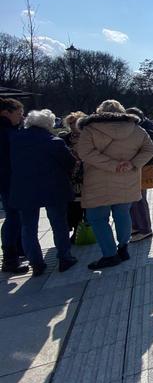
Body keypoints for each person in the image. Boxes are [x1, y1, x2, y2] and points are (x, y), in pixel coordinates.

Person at [77, 100, 153, 270]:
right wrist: (132, 163)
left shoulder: (90, 129)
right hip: (127, 179)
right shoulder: (135, 128)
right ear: (121, 111)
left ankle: (109, 254)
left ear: (99, 112)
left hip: (98, 182)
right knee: (123, 214)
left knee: (98, 218)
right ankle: (123, 248)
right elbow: (150, 150)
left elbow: (84, 153)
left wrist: (112, 165)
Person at [9, 109, 78, 275]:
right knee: (59, 223)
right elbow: (70, 163)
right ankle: (64, 258)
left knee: (28, 227)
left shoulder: (14, 139)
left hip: (24, 188)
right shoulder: (54, 141)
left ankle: (36, 263)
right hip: (53, 188)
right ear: (49, 124)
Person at [0, 98, 27, 274]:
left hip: (7, 179)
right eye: (18, 113)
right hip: (9, 179)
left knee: (14, 215)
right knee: (13, 216)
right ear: (6, 112)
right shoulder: (5, 132)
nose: (21, 117)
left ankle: (17, 249)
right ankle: (10, 258)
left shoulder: (8, 130)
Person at [126, 107, 153, 242]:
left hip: (141, 169)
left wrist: (134, 162)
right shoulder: (137, 131)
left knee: (138, 199)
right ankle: (136, 226)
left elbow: (152, 154)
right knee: (133, 199)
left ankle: (144, 228)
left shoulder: (145, 132)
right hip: (135, 169)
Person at [59, 111, 87, 242]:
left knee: (86, 205)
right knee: (73, 206)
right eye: (70, 123)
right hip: (71, 177)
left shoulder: (89, 137)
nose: (72, 126)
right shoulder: (65, 139)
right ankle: (75, 229)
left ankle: (85, 229)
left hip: (87, 175)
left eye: (74, 123)